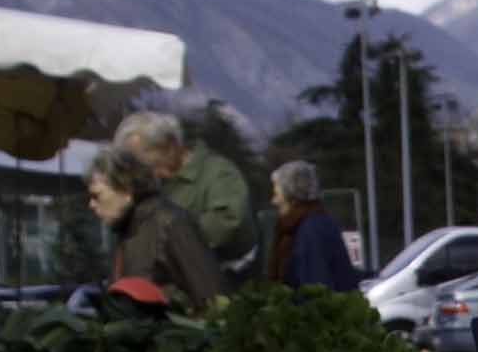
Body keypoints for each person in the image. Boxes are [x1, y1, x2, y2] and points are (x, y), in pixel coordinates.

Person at [115, 110, 252, 275]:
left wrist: (170, 241)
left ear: (170, 146)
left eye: (152, 163)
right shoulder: (154, 182)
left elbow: (227, 221)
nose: (149, 171)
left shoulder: (218, 173)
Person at [87, 149, 225, 311]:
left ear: (125, 189)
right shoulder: (128, 229)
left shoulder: (170, 224)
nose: (91, 204)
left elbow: (213, 300)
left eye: (97, 195)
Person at [263, 160, 362, 290]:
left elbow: (317, 291)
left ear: (292, 195)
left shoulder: (309, 231)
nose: (273, 201)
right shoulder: (315, 222)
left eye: (277, 195)